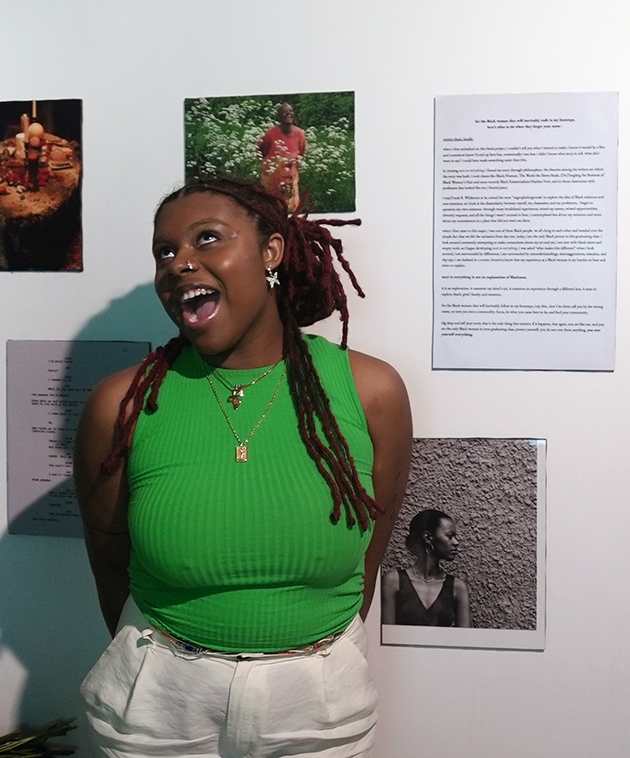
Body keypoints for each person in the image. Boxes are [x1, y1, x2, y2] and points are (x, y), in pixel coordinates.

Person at [74, 176, 412, 757]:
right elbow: (110, 563)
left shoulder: (370, 391)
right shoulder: (120, 405)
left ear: (272, 252)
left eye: (207, 239)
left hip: (316, 705)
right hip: (160, 706)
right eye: (165, 251)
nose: (179, 262)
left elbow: (368, 553)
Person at [380, 509, 470, 627]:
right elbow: (385, 636)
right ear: (428, 537)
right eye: (449, 536)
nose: (456, 542)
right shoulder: (393, 581)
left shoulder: (458, 587)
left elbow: (464, 640)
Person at [257, 103, 306, 213]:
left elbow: (301, 154)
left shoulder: (300, 134)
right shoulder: (270, 134)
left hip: (291, 179)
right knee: (273, 210)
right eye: (284, 111)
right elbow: (261, 152)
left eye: (290, 111)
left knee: (291, 210)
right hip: (273, 179)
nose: (288, 113)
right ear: (279, 116)